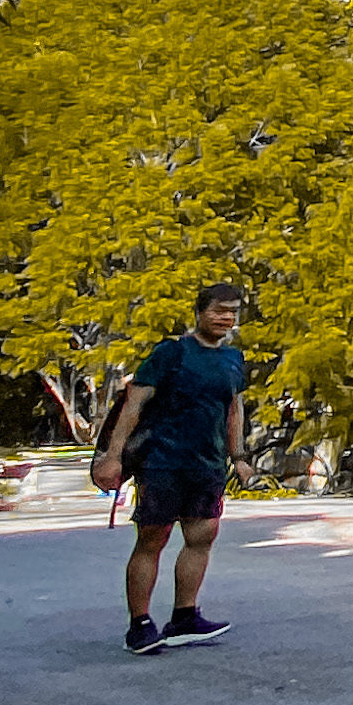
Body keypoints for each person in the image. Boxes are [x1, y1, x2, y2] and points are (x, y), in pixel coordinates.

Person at [91, 281, 249, 657]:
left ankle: (184, 617)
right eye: (218, 310)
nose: (225, 317)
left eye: (232, 311)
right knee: (152, 539)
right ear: (200, 312)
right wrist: (112, 456)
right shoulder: (171, 353)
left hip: (207, 464)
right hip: (162, 462)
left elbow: (234, 409)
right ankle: (139, 625)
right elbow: (133, 407)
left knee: (202, 536)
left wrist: (239, 455)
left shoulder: (233, 360)